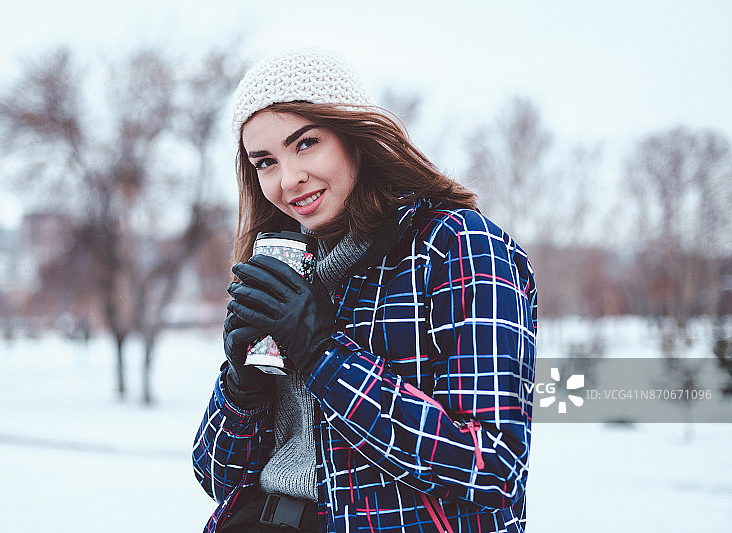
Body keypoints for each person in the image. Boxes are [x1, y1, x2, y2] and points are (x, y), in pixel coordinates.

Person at [192, 49, 537, 533]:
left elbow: (492, 470)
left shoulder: (458, 245)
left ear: (356, 138)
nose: (288, 180)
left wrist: (322, 353)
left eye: (306, 143)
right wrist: (241, 383)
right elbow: (217, 476)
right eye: (265, 162)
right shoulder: (284, 267)